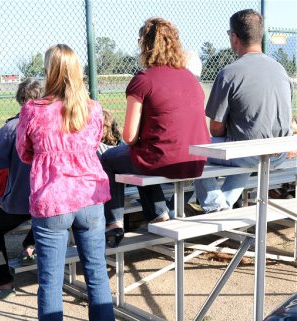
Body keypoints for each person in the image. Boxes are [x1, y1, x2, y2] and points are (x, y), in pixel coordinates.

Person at [16, 44, 119, 321]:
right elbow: (96, 140)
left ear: (50, 71)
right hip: (90, 199)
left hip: (53, 201)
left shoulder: (33, 110)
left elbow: (24, 153)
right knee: (97, 274)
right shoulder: (93, 108)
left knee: (50, 281)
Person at [101, 17, 210, 247]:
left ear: (146, 45)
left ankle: (113, 223)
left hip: (164, 160)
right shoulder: (191, 78)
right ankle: (159, 214)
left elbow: (129, 137)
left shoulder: (143, 80)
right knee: (145, 156)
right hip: (196, 160)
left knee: (109, 159)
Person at [193, 9, 293, 213]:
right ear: (260, 35)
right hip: (277, 153)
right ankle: (224, 205)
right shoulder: (281, 70)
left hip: (250, 153)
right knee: (246, 146)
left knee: (192, 150)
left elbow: (216, 129)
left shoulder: (229, 72)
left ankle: (214, 205)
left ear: (234, 37)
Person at [0, 78, 43, 299]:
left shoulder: (13, 127)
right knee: (44, 215)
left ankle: (3, 283)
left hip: (23, 202)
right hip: (58, 199)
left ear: (21, 100)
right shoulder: (59, 123)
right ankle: (30, 246)